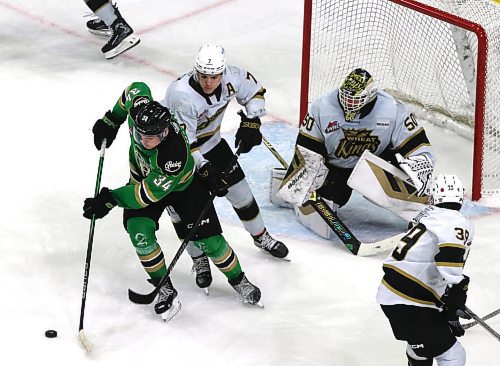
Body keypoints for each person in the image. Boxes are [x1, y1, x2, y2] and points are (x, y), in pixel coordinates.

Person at [83, 82, 261, 320]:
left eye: (150, 138)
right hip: (143, 182)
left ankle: (239, 280)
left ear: (164, 133)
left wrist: (110, 199)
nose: (143, 141)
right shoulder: (141, 115)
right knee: (138, 231)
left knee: (211, 242)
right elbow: (134, 90)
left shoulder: (172, 157)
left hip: (182, 188)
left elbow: (143, 196)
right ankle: (163, 286)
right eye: (139, 134)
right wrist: (111, 120)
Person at [161, 44, 289, 264]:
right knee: (185, 211)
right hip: (179, 154)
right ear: (195, 71)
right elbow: (186, 143)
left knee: (242, 194)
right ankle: (198, 258)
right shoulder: (182, 96)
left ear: (222, 72)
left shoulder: (234, 76)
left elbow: (255, 93)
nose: (208, 82)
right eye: (203, 76)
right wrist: (205, 169)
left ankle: (260, 236)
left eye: (214, 76)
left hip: (213, 144)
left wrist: (252, 120)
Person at [277, 68, 436, 235]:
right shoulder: (322, 107)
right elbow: (307, 149)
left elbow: (418, 147)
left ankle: (418, 210)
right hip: (336, 168)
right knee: (324, 208)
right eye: (346, 97)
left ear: (371, 96)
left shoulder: (393, 109)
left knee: (408, 180)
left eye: (355, 100)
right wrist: (303, 184)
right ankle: (320, 194)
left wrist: (417, 172)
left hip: (375, 166)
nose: (348, 103)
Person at [376, 174, 473, 366]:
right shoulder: (456, 220)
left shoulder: (426, 216)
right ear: (461, 196)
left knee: (420, 346)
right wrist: (457, 289)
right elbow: (449, 262)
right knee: (453, 355)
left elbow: (422, 260)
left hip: (391, 294)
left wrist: (447, 303)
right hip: (410, 300)